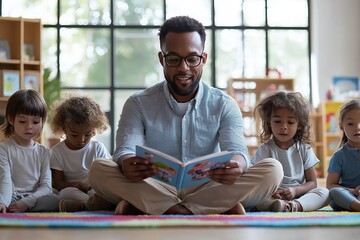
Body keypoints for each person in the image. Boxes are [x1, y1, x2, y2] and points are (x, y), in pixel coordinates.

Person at [88, 15, 283, 215]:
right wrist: (127, 161)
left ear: (204, 59)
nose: (183, 68)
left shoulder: (224, 104)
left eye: (192, 58)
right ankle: (213, 206)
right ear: (161, 58)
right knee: (99, 169)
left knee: (272, 170)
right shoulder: (138, 103)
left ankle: (145, 205)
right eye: (173, 59)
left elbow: (238, 151)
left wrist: (238, 165)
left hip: (208, 185)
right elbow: (125, 149)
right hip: (153, 183)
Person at [251, 91, 329, 212]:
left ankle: (293, 206)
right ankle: (278, 205)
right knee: (255, 196)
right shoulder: (265, 149)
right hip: (272, 196)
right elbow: (256, 180)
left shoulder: (304, 149)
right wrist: (272, 192)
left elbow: (312, 183)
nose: (284, 126)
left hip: (299, 196)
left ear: (299, 125)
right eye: (277, 121)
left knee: (325, 192)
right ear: (269, 123)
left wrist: (295, 190)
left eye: (290, 122)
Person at [49, 96, 114, 212]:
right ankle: (93, 204)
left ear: (93, 131)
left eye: (87, 134)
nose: (82, 139)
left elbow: (109, 173)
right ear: (64, 129)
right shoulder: (57, 152)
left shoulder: (97, 148)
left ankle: (84, 205)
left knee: (106, 190)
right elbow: (57, 183)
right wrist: (75, 185)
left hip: (94, 188)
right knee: (64, 193)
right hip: (72, 190)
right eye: (74, 135)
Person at [0, 89, 59, 213]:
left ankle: (19, 208)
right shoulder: (4, 149)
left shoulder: (43, 152)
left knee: (55, 200)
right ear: (11, 119)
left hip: (34, 197)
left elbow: (46, 186)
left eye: (36, 122)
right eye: (22, 121)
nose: (29, 127)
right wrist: (3, 202)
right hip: (10, 195)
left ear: (42, 122)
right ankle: (11, 207)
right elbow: (5, 180)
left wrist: (27, 201)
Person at [327, 99, 360, 211]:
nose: (358, 127)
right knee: (333, 193)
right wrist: (353, 191)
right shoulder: (339, 156)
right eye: (351, 123)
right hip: (347, 197)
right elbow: (330, 185)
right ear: (341, 126)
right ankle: (357, 206)